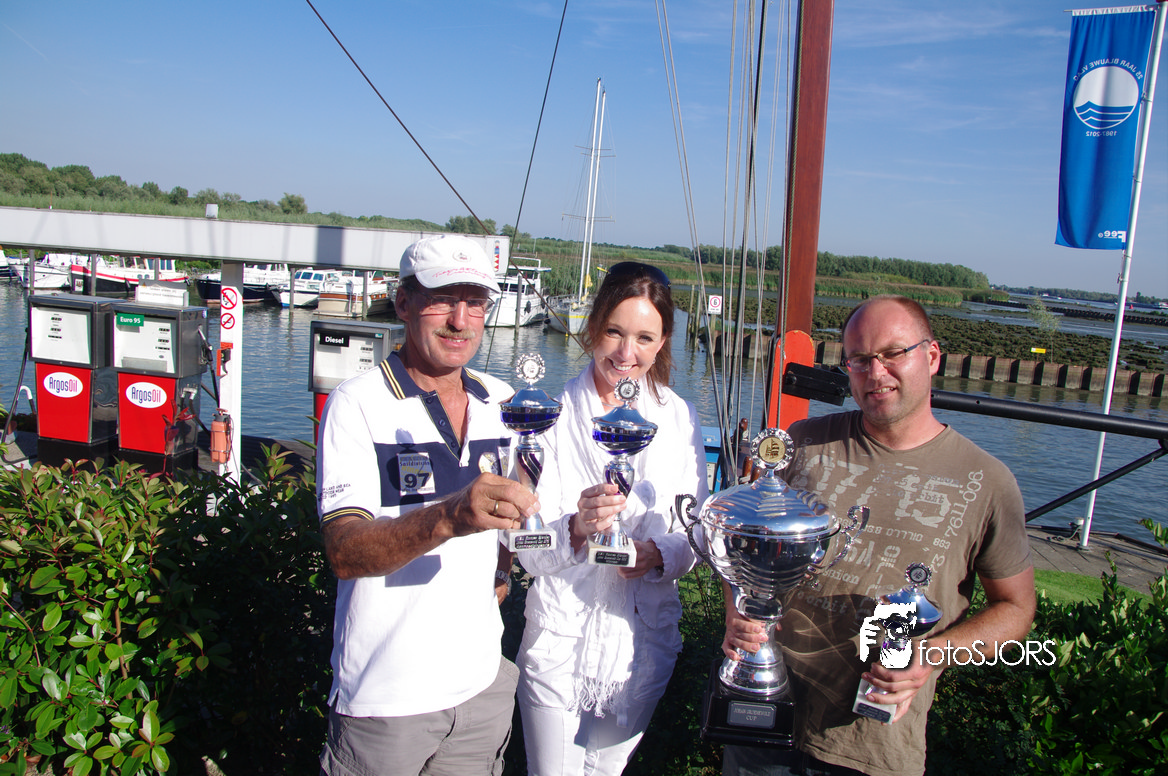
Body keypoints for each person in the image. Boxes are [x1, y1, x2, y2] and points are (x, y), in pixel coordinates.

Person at [722, 295, 1036, 776]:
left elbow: (1015, 609)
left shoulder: (987, 481)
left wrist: (930, 656)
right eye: (860, 359)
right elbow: (741, 544)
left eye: (893, 353)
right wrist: (737, 610)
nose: (876, 372)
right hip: (763, 713)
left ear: (932, 356)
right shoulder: (801, 443)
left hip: (869, 750)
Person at [316, 234, 539, 776]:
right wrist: (449, 515)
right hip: (386, 700)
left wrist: (504, 566)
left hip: (482, 685)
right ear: (403, 303)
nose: (461, 321)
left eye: (475, 303)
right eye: (443, 300)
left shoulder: (503, 401)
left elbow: (517, 514)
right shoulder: (356, 403)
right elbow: (344, 552)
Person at [515, 261, 710, 775]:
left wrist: (656, 554)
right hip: (560, 638)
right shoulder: (547, 418)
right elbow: (527, 552)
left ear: (663, 341)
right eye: (614, 332)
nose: (626, 353)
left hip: (640, 641)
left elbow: (695, 530)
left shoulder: (679, 418)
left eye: (644, 338)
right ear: (592, 327)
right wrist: (576, 528)